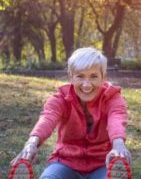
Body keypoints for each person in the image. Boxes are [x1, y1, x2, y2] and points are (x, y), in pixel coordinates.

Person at [10, 47, 131, 179]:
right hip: (65, 162)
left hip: (102, 164)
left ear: (103, 77)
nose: (86, 84)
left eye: (94, 76)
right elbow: (47, 119)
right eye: (80, 76)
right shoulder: (60, 99)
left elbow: (117, 119)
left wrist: (118, 144)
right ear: (71, 77)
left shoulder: (112, 98)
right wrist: (32, 143)